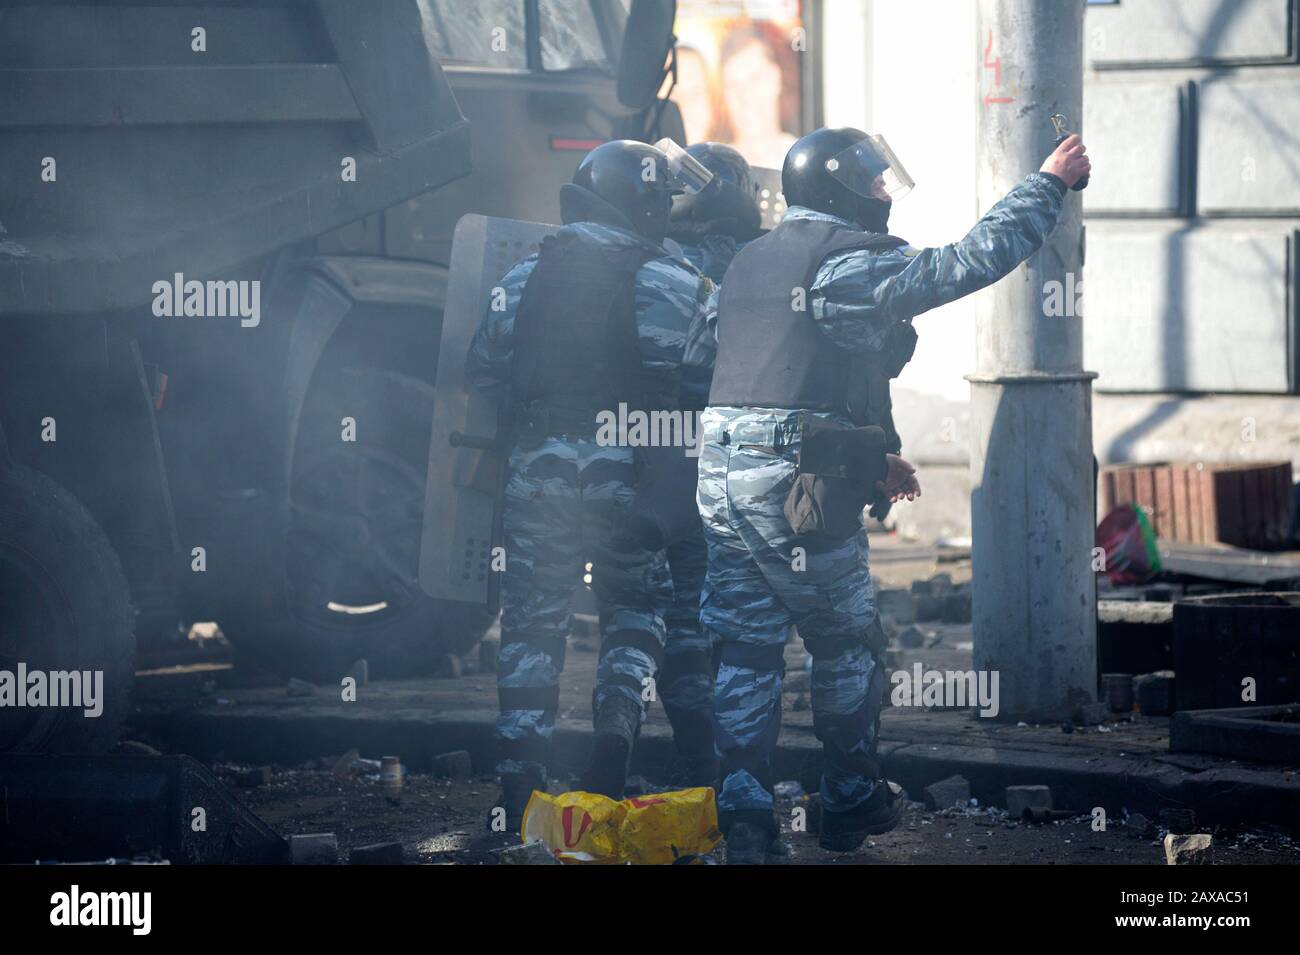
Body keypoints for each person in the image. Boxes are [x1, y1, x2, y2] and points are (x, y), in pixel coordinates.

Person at [698, 126, 1091, 863]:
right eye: (875, 182)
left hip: (721, 479)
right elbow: (963, 264)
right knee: (844, 641)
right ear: (838, 187)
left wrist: (863, 455)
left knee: (746, 648)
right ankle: (848, 800)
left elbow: (739, 373)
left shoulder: (749, 259)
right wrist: (1049, 185)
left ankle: (745, 815)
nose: (883, 195)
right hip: (794, 486)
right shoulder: (845, 261)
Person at [465, 139, 715, 829]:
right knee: (635, 609)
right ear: (650, 207)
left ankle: (519, 785)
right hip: (628, 477)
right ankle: (614, 739)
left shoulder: (521, 276)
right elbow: (708, 392)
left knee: (531, 623)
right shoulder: (683, 285)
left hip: (535, 477)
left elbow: (482, 369)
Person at [636, 142, 766, 789]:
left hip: (642, 460)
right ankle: (718, 769)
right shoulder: (753, 262)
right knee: (720, 618)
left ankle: (681, 764)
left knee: (649, 614)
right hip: (724, 464)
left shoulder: (656, 257)